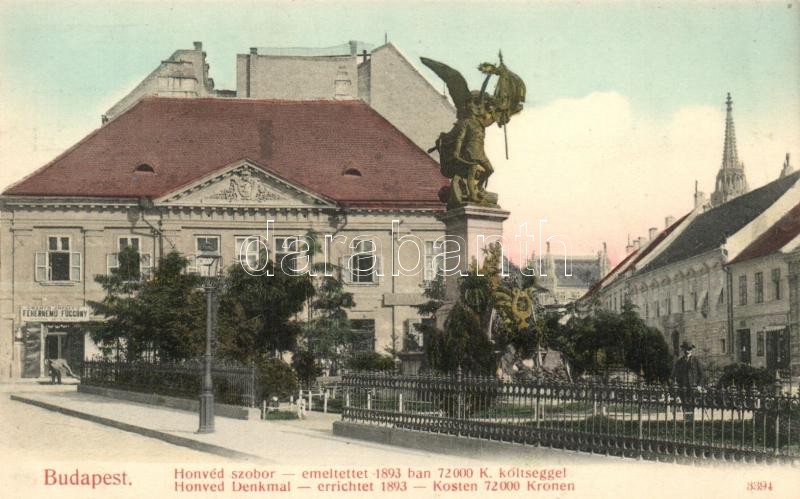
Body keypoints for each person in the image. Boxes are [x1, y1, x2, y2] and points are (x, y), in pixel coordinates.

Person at [671, 342, 704, 422]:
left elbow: (702, 375)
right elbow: (675, 375)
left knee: (691, 405)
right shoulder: (679, 361)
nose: (687, 351)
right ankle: (686, 422)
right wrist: (676, 386)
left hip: (693, 387)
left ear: (691, 350)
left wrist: (699, 386)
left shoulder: (696, 360)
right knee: (684, 404)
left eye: (689, 349)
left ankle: (690, 422)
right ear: (683, 349)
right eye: (685, 349)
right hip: (683, 387)